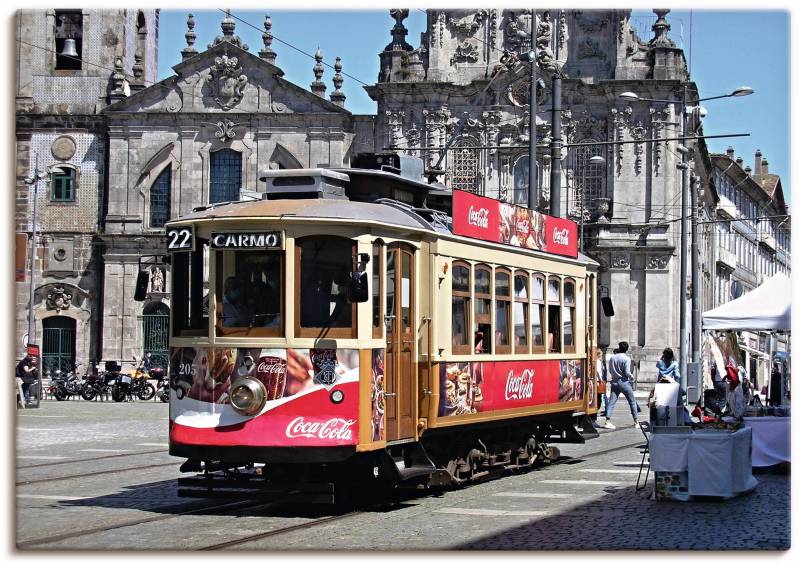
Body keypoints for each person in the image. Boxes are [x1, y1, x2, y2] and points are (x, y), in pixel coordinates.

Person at [602, 341, 639, 429]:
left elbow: (610, 370)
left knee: (612, 402)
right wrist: (631, 377)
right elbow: (627, 372)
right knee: (632, 401)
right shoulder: (626, 359)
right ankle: (636, 421)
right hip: (623, 381)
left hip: (614, 381)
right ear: (627, 349)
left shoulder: (612, 358)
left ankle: (607, 421)